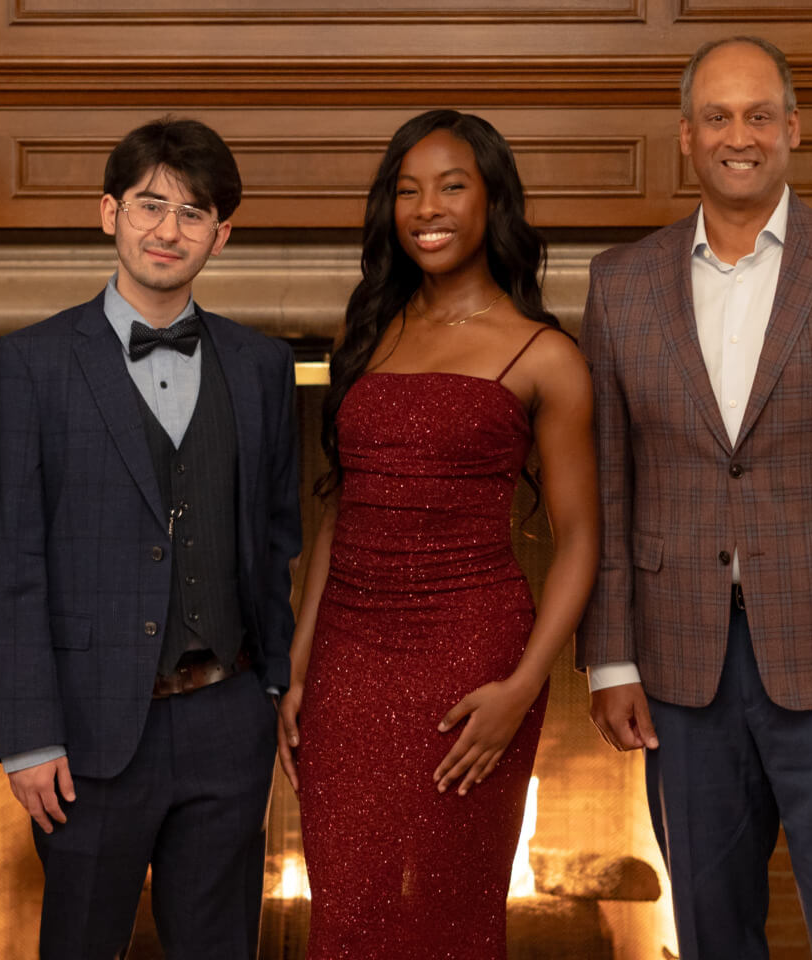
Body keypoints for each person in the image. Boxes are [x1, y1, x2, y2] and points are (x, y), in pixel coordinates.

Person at [580, 36, 812, 960]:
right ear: (685, 136)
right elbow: (609, 484)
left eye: (757, 115)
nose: (736, 135)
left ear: (792, 129)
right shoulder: (621, 283)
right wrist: (609, 659)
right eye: (717, 116)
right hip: (678, 670)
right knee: (709, 932)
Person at [277, 109, 600, 959]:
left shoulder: (545, 357)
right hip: (347, 662)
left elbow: (580, 541)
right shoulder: (371, 333)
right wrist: (301, 666)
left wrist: (524, 686)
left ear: (493, 202)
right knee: (345, 916)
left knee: (451, 919)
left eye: (453, 186)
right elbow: (340, 509)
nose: (428, 207)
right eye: (408, 190)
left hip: (473, 664)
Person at [0, 116, 301, 960]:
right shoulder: (32, 365)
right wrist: (28, 733)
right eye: (150, 205)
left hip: (228, 725)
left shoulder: (263, 367)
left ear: (221, 236)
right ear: (109, 212)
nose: (169, 229)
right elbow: (10, 559)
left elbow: (275, 541)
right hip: (87, 733)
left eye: (193, 214)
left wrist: (271, 690)